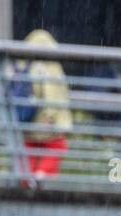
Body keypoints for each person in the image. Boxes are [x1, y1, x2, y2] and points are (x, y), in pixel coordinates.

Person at [13, 29, 72, 182]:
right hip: (44, 121)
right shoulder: (49, 66)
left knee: (29, 151)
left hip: (26, 120)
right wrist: (50, 116)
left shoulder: (23, 65)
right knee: (57, 146)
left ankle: (26, 184)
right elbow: (51, 92)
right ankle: (41, 176)